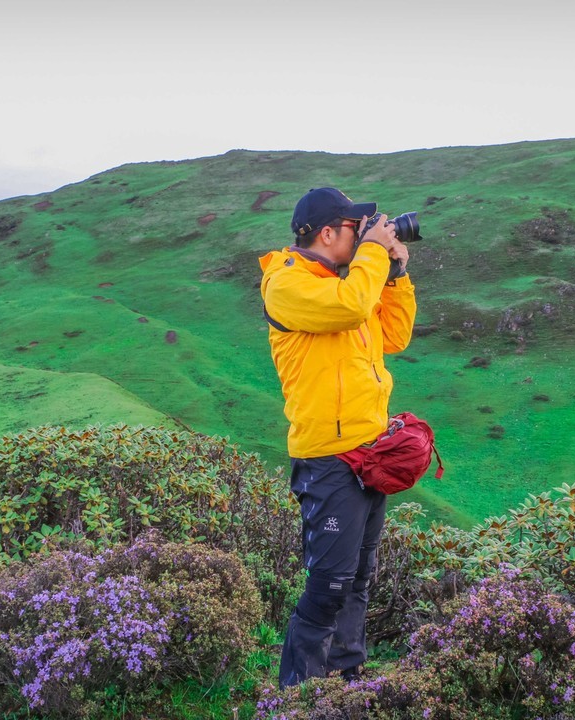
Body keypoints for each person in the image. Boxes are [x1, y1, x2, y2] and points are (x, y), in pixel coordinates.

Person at [258, 187, 417, 687]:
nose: (364, 234)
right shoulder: (288, 285)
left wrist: (397, 273)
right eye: (355, 228)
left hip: (369, 453)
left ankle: (346, 686)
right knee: (329, 586)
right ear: (328, 233)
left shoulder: (345, 284)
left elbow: (394, 336)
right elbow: (349, 309)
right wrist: (373, 253)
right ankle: (297, 696)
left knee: (358, 581)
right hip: (328, 460)